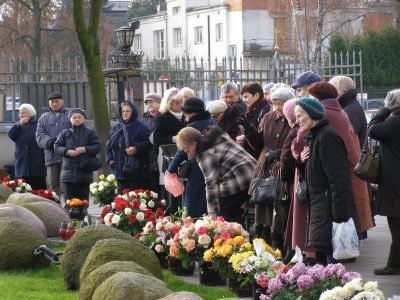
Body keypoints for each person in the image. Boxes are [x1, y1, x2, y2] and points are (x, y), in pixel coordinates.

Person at [307, 82, 373, 238]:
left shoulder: (330, 113)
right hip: (345, 166)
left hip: (338, 168)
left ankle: (345, 245)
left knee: (342, 214)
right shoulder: (341, 110)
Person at [295, 97, 352, 265]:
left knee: (331, 262)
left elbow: (339, 179)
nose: (297, 120)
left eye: (299, 115)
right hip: (319, 205)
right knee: (322, 259)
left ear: (312, 114)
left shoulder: (327, 137)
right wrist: (300, 162)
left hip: (329, 208)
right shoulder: (313, 136)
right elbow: (311, 175)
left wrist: (339, 216)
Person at [246, 86, 294, 249]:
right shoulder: (268, 117)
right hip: (265, 166)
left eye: (280, 103)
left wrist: (279, 152)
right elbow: (258, 143)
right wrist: (249, 130)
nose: (277, 107)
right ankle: (262, 239)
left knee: (281, 206)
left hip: (283, 166)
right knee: (262, 203)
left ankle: (280, 241)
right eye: (274, 103)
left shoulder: (293, 118)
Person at [176, 125, 256, 223]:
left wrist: (212, 214)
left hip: (241, 177)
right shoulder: (216, 138)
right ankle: (237, 229)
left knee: (222, 208)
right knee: (228, 206)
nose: (188, 154)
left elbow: (211, 184)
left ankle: (234, 234)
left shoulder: (204, 154)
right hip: (253, 173)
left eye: (188, 150)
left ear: (194, 143)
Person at [166, 97, 215, 217]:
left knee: (193, 201)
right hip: (214, 166)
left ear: (192, 113)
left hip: (197, 167)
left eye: (186, 113)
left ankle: (195, 226)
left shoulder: (192, 126)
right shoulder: (212, 121)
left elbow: (182, 150)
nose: (184, 115)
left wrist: (170, 169)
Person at [369, 89, 400, 275]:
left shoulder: (395, 121)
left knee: (396, 224)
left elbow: (373, 129)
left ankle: (394, 264)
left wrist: (384, 109)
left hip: (395, 181)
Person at [54, 109, 101, 200]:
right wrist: (67, 151)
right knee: (69, 200)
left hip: (85, 172)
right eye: (74, 117)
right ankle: (70, 214)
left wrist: (84, 149)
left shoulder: (90, 132)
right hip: (68, 173)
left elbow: (97, 146)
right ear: (70, 119)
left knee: (83, 200)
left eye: (79, 117)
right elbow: (57, 146)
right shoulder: (65, 133)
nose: (77, 119)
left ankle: (83, 213)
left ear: (83, 119)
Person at [106, 101, 152, 192]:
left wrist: (136, 148)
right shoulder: (116, 129)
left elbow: (149, 143)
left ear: (133, 113)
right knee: (121, 203)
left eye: (128, 111)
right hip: (120, 173)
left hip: (138, 174)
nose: (125, 113)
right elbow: (108, 147)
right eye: (123, 111)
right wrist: (110, 161)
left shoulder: (141, 127)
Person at [152, 87, 185, 213]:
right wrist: (172, 138)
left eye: (181, 102)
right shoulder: (161, 118)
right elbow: (157, 139)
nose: (180, 105)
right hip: (168, 156)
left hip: (184, 156)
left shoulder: (185, 116)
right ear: (169, 103)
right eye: (177, 103)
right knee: (171, 190)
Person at [36, 92, 71, 196]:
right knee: (52, 187)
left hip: (67, 155)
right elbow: (39, 134)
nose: (54, 104)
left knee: (68, 185)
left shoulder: (70, 113)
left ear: (62, 102)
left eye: (57, 101)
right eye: (52, 102)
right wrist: (49, 142)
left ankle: (70, 207)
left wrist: (64, 142)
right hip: (51, 156)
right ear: (49, 103)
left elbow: (75, 130)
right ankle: (56, 209)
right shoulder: (44, 117)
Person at [8, 104, 46, 189]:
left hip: (37, 161)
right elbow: (11, 135)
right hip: (22, 162)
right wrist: (19, 125)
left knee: (38, 188)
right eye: (20, 113)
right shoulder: (18, 126)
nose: (21, 115)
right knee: (22, 188)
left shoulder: (39, 123)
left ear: (30, 113)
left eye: (24, 113)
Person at [329, 75, 367, 147]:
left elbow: (343, 139)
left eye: (333, 90)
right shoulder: (352, 107)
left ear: (343, 92)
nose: (329, 93)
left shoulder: (350, 111)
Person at [236, 82, 270, 158]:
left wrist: (245, 137)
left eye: (246, 97)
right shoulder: (251, 110)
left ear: (257, 95)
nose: (244, 100)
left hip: (259, 157)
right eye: (243, 97)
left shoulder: (265, 111)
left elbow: (262, 139)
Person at [141, 92, 162, 194]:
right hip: (147, 155)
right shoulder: (144, 118)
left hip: (159, 154)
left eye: (151, 102)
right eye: (147, 102)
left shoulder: (163, 117)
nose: (149, 104)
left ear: (159, 103)